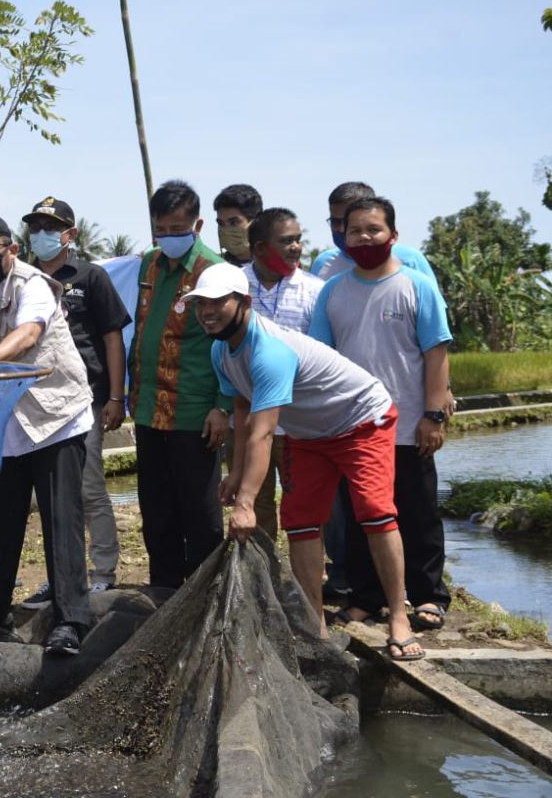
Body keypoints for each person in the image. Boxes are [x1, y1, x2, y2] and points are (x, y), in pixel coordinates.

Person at [190, 262, 424, 661]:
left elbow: (265, 431)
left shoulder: (270, 351)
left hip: (361, 418)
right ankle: (314, 625)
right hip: (311, 432)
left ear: (243, 302)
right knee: (300, 521)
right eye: (200, 304)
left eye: (217, 302)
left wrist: (246, 504)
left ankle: (399, 617)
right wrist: (236, 474)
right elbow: (243, 414)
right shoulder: (220, 352)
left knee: (374, 511)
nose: (207, 311)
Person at [0, 211, 93, 655]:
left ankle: (71, 621)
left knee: (59, 520)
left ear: (11, 249)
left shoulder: (34, 286)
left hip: (55, 418)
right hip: (4, 423)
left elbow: (28, 335)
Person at [310, 197, 455, 634]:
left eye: (373, 229)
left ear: (392, 235)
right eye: (355, 231)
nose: (364, 238)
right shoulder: (333, 291)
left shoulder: (416, 285)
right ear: (344, 238)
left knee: (417, 512)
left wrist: (434, 415)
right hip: (353, 426)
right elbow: (322, 357)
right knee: (361, 517)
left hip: (409, 424)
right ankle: (367, 598)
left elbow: (436, 353)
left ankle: (428, 595)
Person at [17, 196, 130, 608]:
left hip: (86, 400)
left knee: (89, 487)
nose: (41, 234)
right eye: (35, 227)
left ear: (70, 234)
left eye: (50, 227)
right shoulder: (23, 279)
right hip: (34, 402)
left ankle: (102, 572)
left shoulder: (90, 276)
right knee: (52, 496)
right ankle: (61, 577)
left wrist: (116, 397)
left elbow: (112, 337)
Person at [127, 180, 230, 599]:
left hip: (194, 409)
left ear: (197, 224)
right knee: (157, 510)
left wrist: (223, 406)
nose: (169, 237)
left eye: (177, 228)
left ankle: (206, 595)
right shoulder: (148, 264)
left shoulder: (214, 271)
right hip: (149, 408)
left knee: (200, 513)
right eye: (161, 229)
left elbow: (230, 339)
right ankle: (164, 592)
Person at [233, 207, 324, 537]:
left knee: (303, 501)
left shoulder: (315, 291)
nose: (296, 247)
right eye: (286, 241)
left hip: (298, 419)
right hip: (245, 415)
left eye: (298, 240)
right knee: (255, 503)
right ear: (259, 248)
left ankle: (306, 582)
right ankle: (263, 579)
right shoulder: (234, 286)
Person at [314, 182, 436, 281]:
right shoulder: (323, 262)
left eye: (347, 222)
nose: (341, 229)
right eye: (335, 222)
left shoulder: (409, 259)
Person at [213, 184, 262, 266]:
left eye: (233, 223)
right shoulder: (212, 267)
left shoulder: (276, 268)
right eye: (221, 223)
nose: (226, 230)